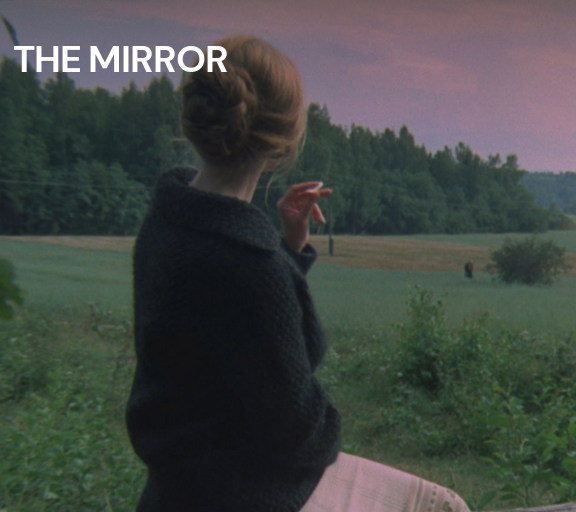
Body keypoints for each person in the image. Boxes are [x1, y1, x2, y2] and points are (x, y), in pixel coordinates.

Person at [126, 34, 471, 512]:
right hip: (242, 493)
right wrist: (332, 424)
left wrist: (288, 247)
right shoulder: (248, 264)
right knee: (443, 506)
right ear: (285, 139)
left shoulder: (167, 221)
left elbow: (231, 333)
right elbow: (297, 434)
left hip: (178, 486)